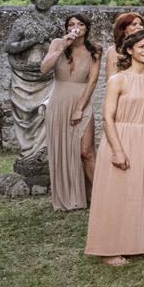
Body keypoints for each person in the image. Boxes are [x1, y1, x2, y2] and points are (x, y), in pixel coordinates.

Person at [84, 27, 144, 267]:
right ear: (129, 50)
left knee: (136, 192)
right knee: (114, 194)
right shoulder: (118, 79)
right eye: (141, 46)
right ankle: (108, 248)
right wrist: (117, 149)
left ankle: (133, 243)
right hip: (120, 137)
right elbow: (107, 117)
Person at [39, 12, 99, 211]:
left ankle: (100, 194)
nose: (75, 27)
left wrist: (80, 108)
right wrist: (63, 46)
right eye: (71, 24)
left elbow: (92, 81)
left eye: (80, 24)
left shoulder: (95, 50)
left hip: (81, 99)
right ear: (66, 28)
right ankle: (71, 197)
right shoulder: (57, 43)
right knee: (63, 149)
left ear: (86, 28)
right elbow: (44, 68)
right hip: (58, 101)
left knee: (86, 151)